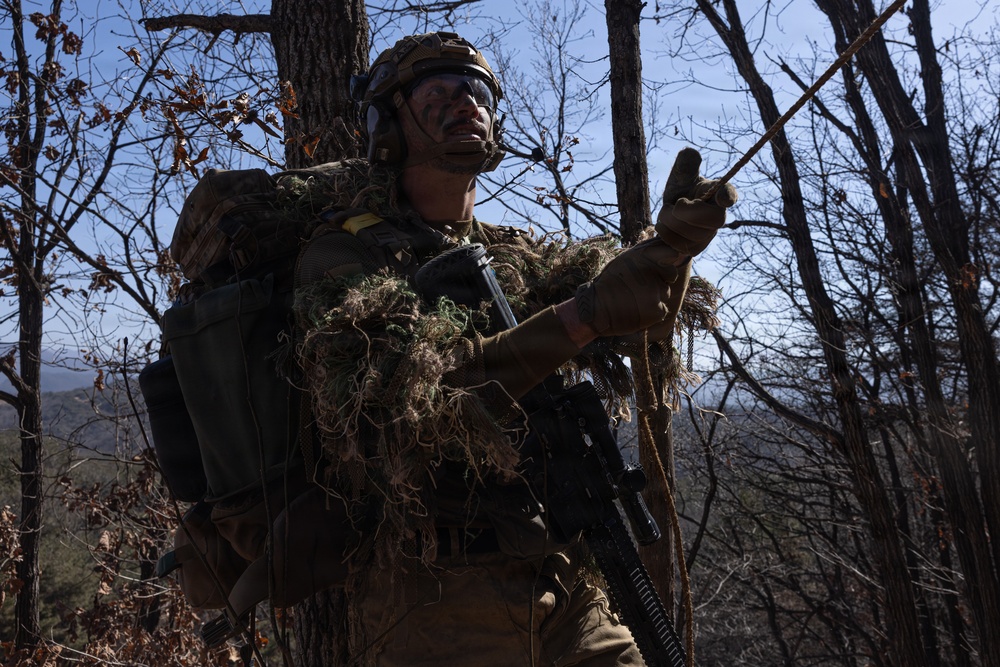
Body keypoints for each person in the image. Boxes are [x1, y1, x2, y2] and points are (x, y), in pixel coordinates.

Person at [292, 31, 736, 667]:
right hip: (437, 597)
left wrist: (668, 251)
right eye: (437, 93)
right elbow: (405, 399)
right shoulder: (345, 256)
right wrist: (580, 318)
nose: (464, 104)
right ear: (387, 123)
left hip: (564, 576)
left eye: (475, 93)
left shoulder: (515, 254)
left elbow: (626, 310)